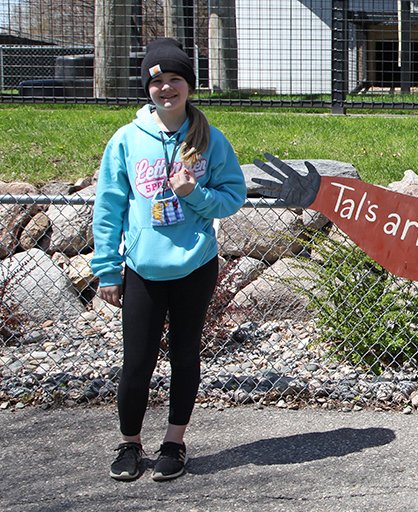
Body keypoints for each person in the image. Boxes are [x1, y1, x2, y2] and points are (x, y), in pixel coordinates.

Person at [91, 37, 246, 482]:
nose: (166, 89)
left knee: (184, 356)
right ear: (148, 88)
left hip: (195, 266)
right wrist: (106, 269)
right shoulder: (126, 140)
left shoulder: (210, 141)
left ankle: (174, 443)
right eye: (157, 81)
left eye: (175, 79)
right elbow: (109, 207)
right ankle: (129, 444)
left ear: (189, 86)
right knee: (136, 361)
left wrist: (192, 193)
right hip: (142, 268)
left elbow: (232, 197)